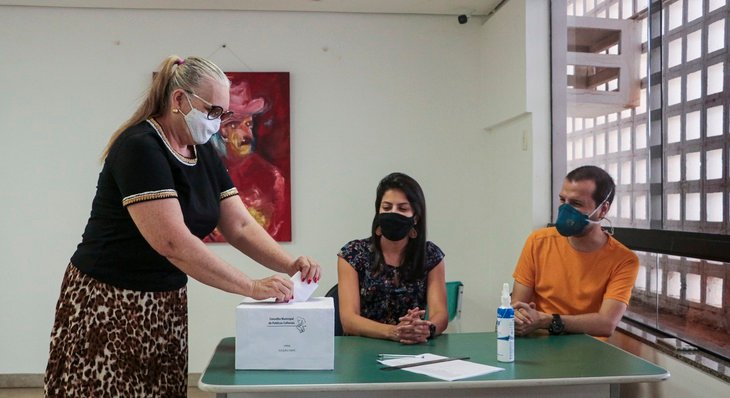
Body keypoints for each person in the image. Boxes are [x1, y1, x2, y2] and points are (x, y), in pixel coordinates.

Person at [44, 55, 321, 397]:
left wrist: (289, 264)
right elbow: (173, 243)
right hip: (109, 299)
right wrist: (252, 286)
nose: (218, 123)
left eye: (224, 114)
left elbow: (239, 226)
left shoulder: (201, 150)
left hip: (164, 302)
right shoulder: (140, 147)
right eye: (213, 111)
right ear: (179, 100)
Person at [511, 165, 639, 338]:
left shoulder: (624, 260)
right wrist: (519, 317)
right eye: (563, 200)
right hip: (537, 345)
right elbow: (518, 305)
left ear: (603, 209)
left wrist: (547, 321)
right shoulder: (538, 242)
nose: (565, 209)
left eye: (576, 203)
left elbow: (606, 323)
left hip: (587, 353)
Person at [337, 172, 447, 344]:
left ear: (415, 217)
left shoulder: (431, 255)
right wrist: (395, 332)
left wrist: (425, 328)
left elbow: (441, 314)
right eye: (387, 208)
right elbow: (349, 320)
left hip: (414, 350)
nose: (393, 213)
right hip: (362, 351)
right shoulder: (353, 254)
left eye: (402, 209)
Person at [206, 81, 288, 242]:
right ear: (220, 130)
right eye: (235, 125)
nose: (247, 134)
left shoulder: (271, 178)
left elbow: (271, 236)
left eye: (249, 124)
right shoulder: (201, 174)